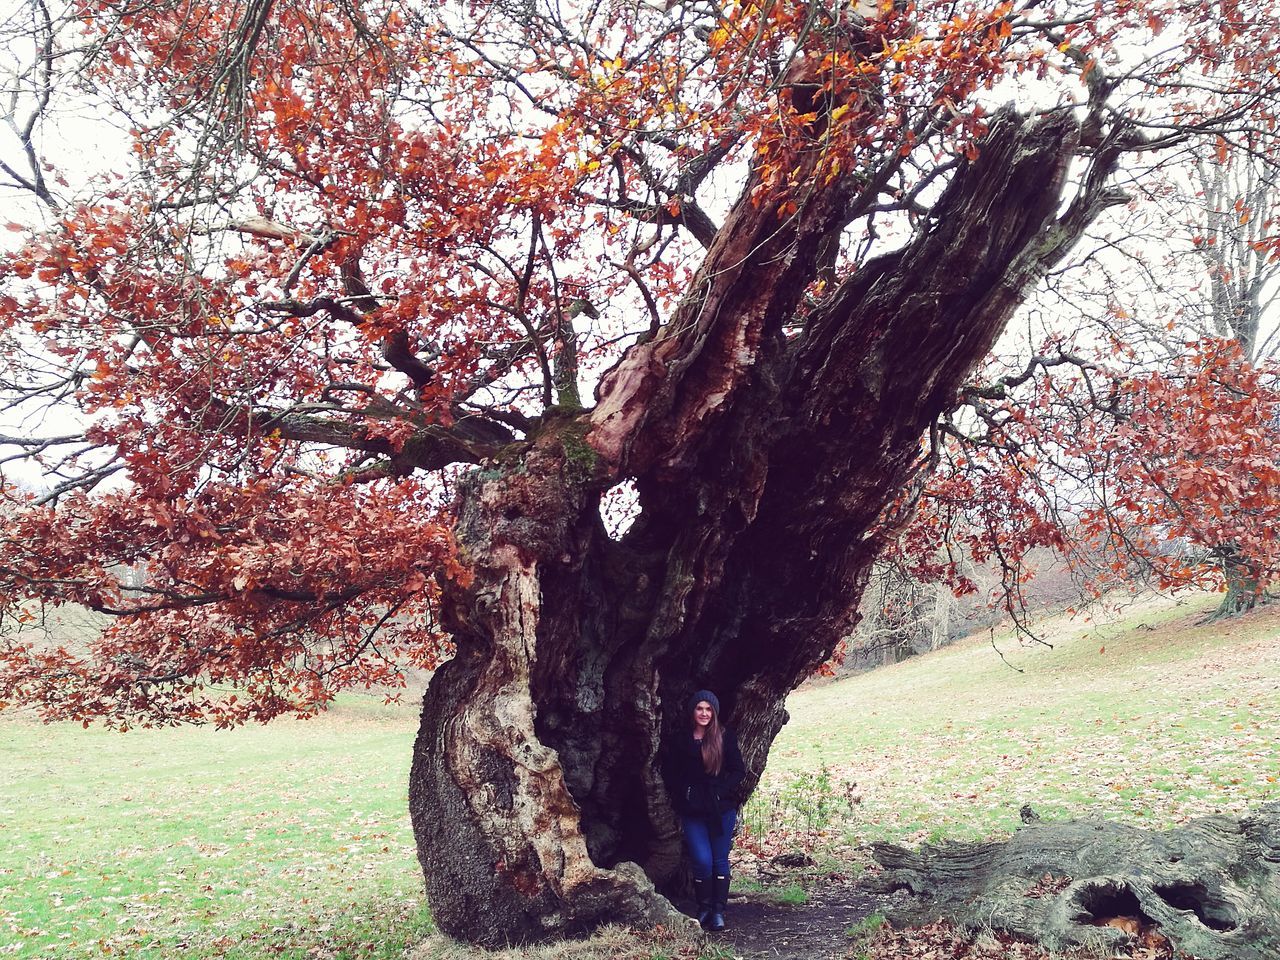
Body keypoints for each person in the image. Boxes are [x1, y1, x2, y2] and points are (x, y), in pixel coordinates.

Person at [663, 689, 745, 932]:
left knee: (719, 860)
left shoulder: (724, 737)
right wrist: (686, 793)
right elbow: (671, 773)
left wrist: (719, 791)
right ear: (693, 711)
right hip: (693, 810)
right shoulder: (681, 740)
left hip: (721, 809)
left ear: (715, 712)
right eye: (700, 708)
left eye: (709, 709)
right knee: (701, 859)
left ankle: (719, 911)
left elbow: (738, 770)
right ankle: (704, 907)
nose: (704, 713)